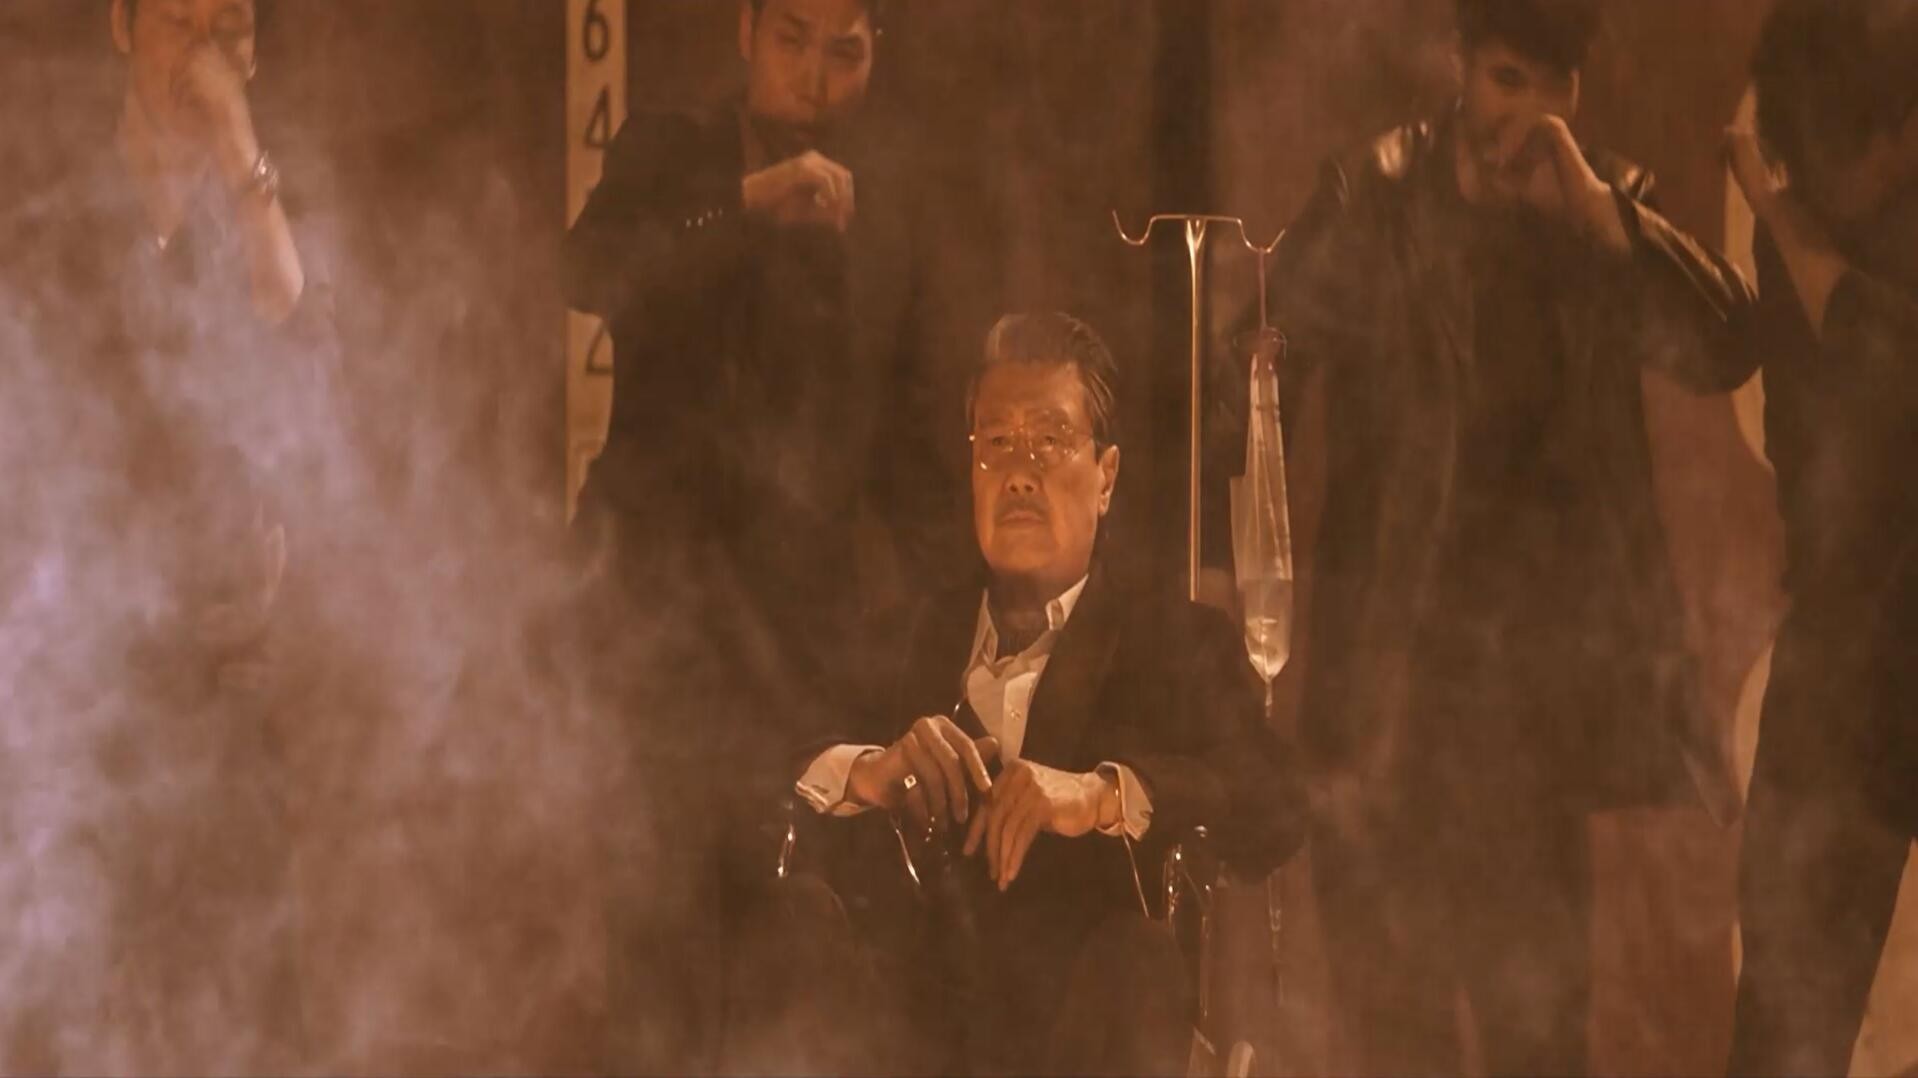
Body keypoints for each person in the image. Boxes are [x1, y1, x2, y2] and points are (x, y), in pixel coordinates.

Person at [1266, 1, 1760, 1073]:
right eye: (1505, 81)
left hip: (1528, 736)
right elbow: (1253, 370)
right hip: (1383, 711)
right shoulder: (1372, 197)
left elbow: (1727, 343)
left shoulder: (1597, 205)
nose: (1530, 116)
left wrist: (1604, 220)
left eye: (1554, 88)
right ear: (1456, 64)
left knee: (1538, 1043)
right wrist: (1231, 575)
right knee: (1395, 1046)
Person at [558, 0, 966, 1070]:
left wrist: (933, 626)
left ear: (877, 54)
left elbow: (917, 449)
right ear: (744, 31)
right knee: (647, 936)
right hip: (648, 619)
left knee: (785, 945)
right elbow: (587, 269)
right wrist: (746, 205)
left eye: (845, 52)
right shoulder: (672, 151)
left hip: (799, 642)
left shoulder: (896, 203)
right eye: (792, 40)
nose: (815, 77)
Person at [734, 312, 1304, 1076]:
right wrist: (865, 772)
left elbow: (1276, 798)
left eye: (1050, 440)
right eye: (997, 443)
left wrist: (1101, 795)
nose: (1020, 473)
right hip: (896, 1047)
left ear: (1106, 476)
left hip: (1080, 1038)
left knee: (1136, 960)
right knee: (790, 918)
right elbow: (753, 762)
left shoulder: (1173, 644)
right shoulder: (900, 638)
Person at [0, 0, 334, 1069]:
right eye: (176, 20)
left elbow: (303, 342)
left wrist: (239, 153)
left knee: (242, 1003)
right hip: (70, 678)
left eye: (226, 25)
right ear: (120, 23)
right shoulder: (44, 195)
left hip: (225, 667)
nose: (199, 51)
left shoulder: (263, 207)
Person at [1724, 2, 1918, 1072]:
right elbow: (1813, 462)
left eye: (1836, 160)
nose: (1814, 192)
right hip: (1845, 658)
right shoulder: (1796, 214)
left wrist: (1793, 232)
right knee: (1781, 1032)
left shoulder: (1800, 226)